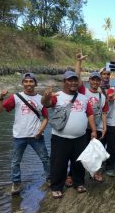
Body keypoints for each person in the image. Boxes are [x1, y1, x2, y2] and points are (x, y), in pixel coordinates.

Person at [42, 71, 97, 199]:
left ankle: (79, 183)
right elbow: (46, 104)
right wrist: (45, 96)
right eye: (69, 80)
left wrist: (93, 130)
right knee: (58, 163)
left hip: (80, 137)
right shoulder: (58, 95)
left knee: (78, 163)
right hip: (60, 138)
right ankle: (56, 187)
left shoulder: (83, 98)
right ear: (64, 82)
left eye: (75, 80)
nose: (73, 83)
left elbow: (89, 114)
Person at [0, 73, 50, 195]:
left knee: (45, 159)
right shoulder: (16, 97)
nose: (28, 84)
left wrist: (40, 131)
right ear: (22, 83)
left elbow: (46, 117)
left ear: (35, 83)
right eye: (26, 81)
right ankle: (16, 183)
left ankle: (50, 178)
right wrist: (0, 97)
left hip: (36, 136)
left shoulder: (41, 99)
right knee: (15, 161)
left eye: (31, 81)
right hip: (19, 136)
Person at [76, 53, 108, 182]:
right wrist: (79, 62)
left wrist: (104, 127)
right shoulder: (83, 91)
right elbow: (77, 76)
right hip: (84, 127)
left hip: (98, 127)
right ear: (89, 81)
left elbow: (104, 112)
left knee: (96, 152)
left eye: (97, 80)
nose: (95, 82)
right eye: (93, 79)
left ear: (100, 81)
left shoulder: (103, 96)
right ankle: (74, 174)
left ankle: (95, 172)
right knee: (80, 151)